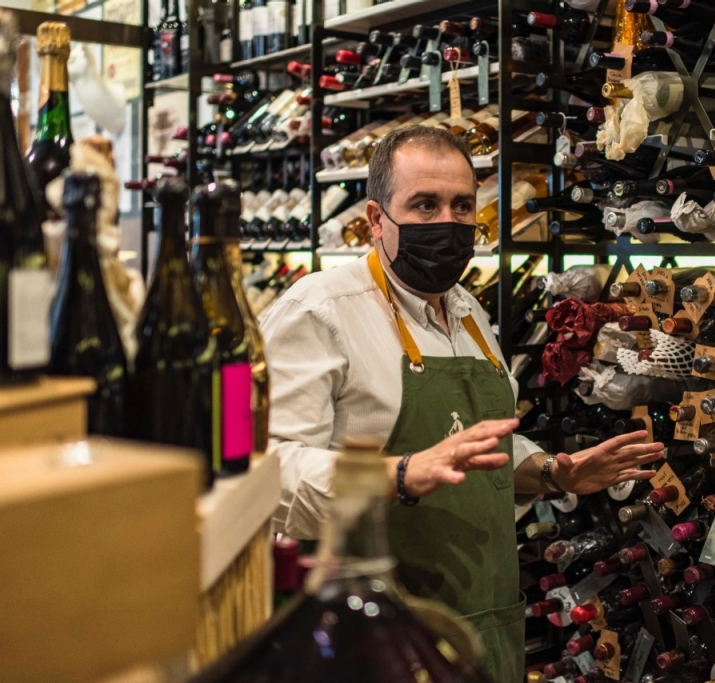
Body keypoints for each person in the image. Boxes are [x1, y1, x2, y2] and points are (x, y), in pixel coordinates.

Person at [261, 126, 665, 683]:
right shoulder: (319, 312)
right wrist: (400, 473)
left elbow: (480, 440)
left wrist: (553, 472)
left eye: (461, 206)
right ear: (377, 220)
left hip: (487, 623)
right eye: (424, 205)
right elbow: (269, 474)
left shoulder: (468, 310)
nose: (447, 223)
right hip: (369, 639)